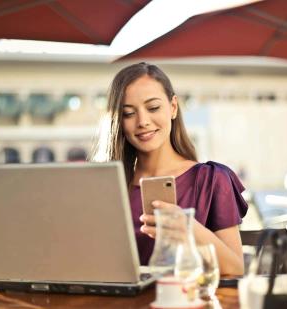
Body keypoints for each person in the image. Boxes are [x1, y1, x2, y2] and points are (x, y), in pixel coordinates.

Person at [98, 62, 248, 275]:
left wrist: (190, 231)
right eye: (129, 113)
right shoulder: (108, 187)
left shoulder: (211, 179)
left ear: (173, 107)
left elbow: (236, 268)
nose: (143, 121)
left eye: (153, 108)